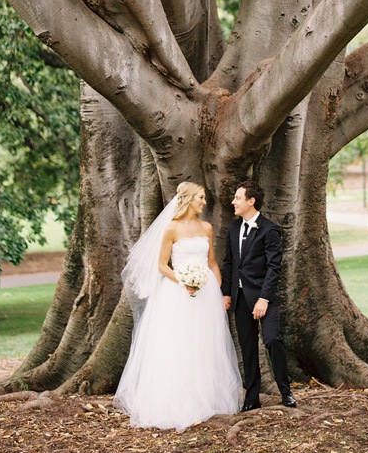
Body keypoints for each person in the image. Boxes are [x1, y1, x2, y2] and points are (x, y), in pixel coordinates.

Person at [113, 182, 242, 431]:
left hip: (206, 295)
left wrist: (218, 290)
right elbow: (162, 265)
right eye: (201, 198)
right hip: (177, 294)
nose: (204, 202)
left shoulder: (206, 227)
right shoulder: (171, 228)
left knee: (204, 345)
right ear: (188, 199)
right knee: (178, 344)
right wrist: (183, 281)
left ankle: (204, 399)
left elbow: (212, 262)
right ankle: (176, 402)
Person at [221, 181, 296, 411]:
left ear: (251, 201)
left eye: (238, 198)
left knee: (272, 340)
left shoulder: (269, 229)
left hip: (265, 297)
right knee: (248, 347)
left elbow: (275, 267)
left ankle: (286, 392)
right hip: (240, 297)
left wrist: (264, 298)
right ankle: (252, 397)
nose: (233, 202)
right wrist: (226, 293)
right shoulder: (233, 229)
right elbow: (229, 262)